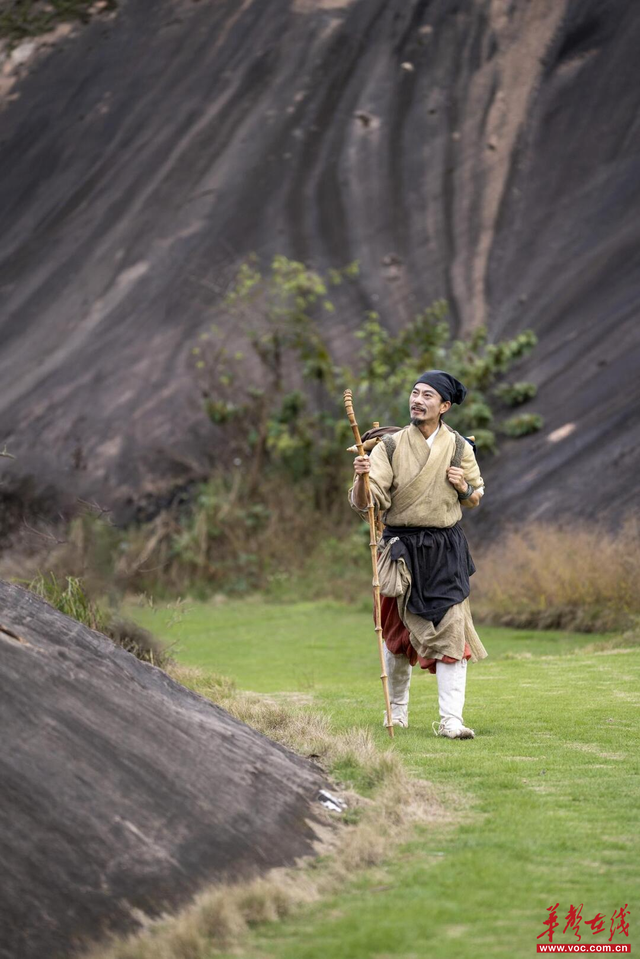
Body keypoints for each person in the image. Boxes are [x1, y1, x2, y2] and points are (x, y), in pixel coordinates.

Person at [350, 370, 487, 739]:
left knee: (453, 634)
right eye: (414, 392)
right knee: (396, 637)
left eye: (427, 395)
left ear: (444, 406)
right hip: (400, 551)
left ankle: (451, 721)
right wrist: (362, 479)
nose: (417, 399)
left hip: (446, 550)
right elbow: (368, 503)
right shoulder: (389, 447)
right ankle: (397, 712)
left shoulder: (460, 447)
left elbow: (475, 497)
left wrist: (463, 486)